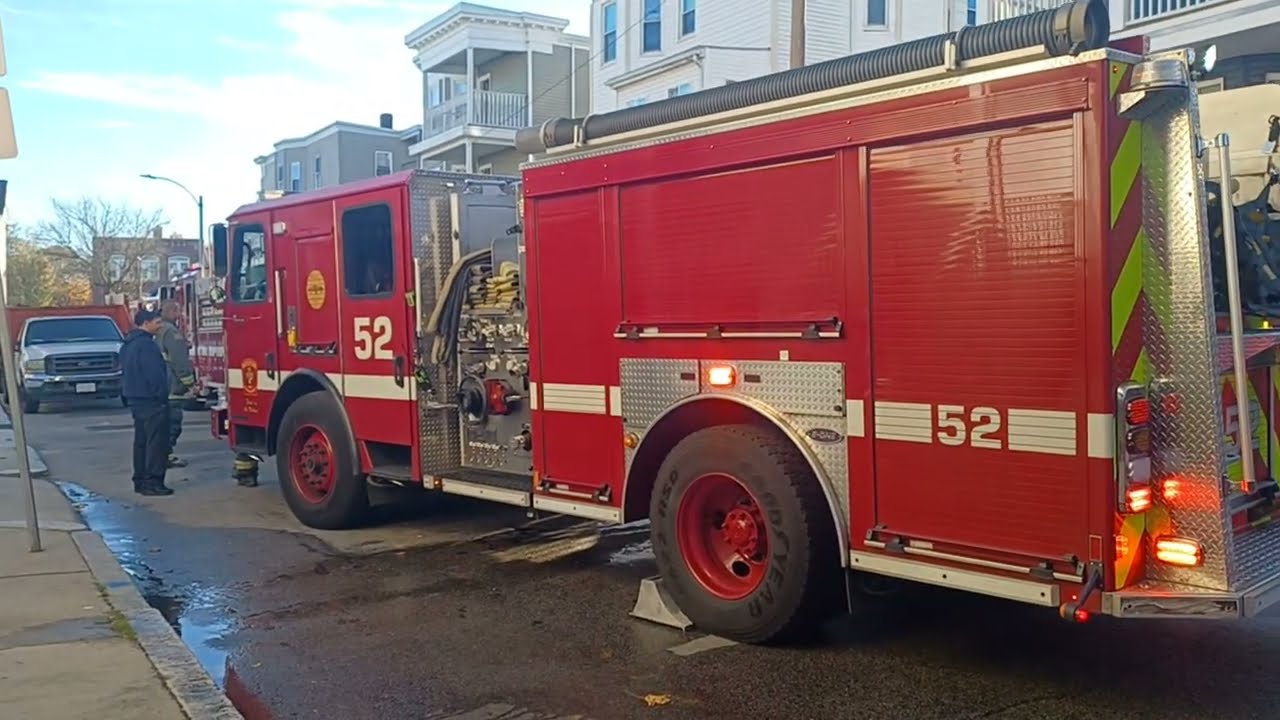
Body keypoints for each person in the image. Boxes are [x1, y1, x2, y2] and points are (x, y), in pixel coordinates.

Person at [120, 309, 174, 496]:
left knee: (141, 442)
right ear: (145, 323)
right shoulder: (146, 346)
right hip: (152, 401)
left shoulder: (127, 345)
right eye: (157, 322)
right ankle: (154, 481)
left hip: (136, 399)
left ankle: (141, 480)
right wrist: (161, 396)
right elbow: (155, 376)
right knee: (156, 444)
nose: (160, 326)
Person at [157, 300, 196, 468]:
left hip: (160, 386)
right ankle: (165, 456)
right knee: (173, 424)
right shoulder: (172, 332)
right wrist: (190, 384)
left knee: (161, 424)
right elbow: (179, 361)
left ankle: (163, 455)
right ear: (172, 311)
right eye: (177, 311)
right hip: (172, 386)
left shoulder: (158, 330)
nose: (179, 315)